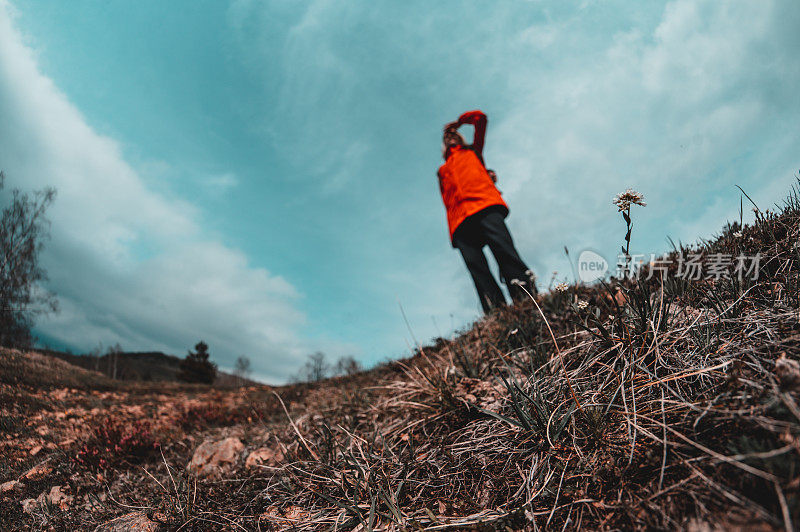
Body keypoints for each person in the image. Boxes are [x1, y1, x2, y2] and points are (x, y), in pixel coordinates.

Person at [437, 110, 536, 312]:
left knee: (504, 251)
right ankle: (496, 312)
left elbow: (480, 119)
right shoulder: (442, 171)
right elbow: (445, 198)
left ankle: (526, 299)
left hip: (485, 205)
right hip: (459, 221)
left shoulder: (474, 152)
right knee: (477, 268)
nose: (450, 137)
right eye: (447, 137)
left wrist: (458, 123)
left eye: (454, 135)